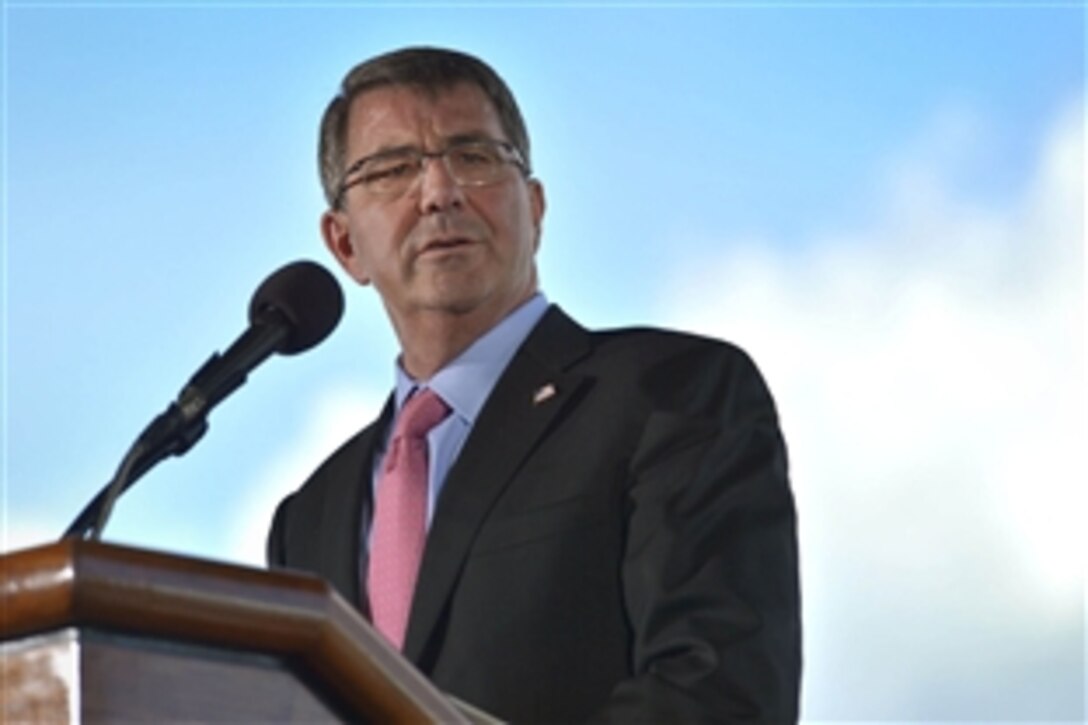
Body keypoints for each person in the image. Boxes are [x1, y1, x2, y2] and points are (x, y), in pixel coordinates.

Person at [267, 46, 801, 722]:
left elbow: (716, 693)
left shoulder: (672, 393)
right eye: (394, 169)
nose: (439, 193)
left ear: (536, 207)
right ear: (344, 244)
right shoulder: (309, 517)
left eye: (475, 157)